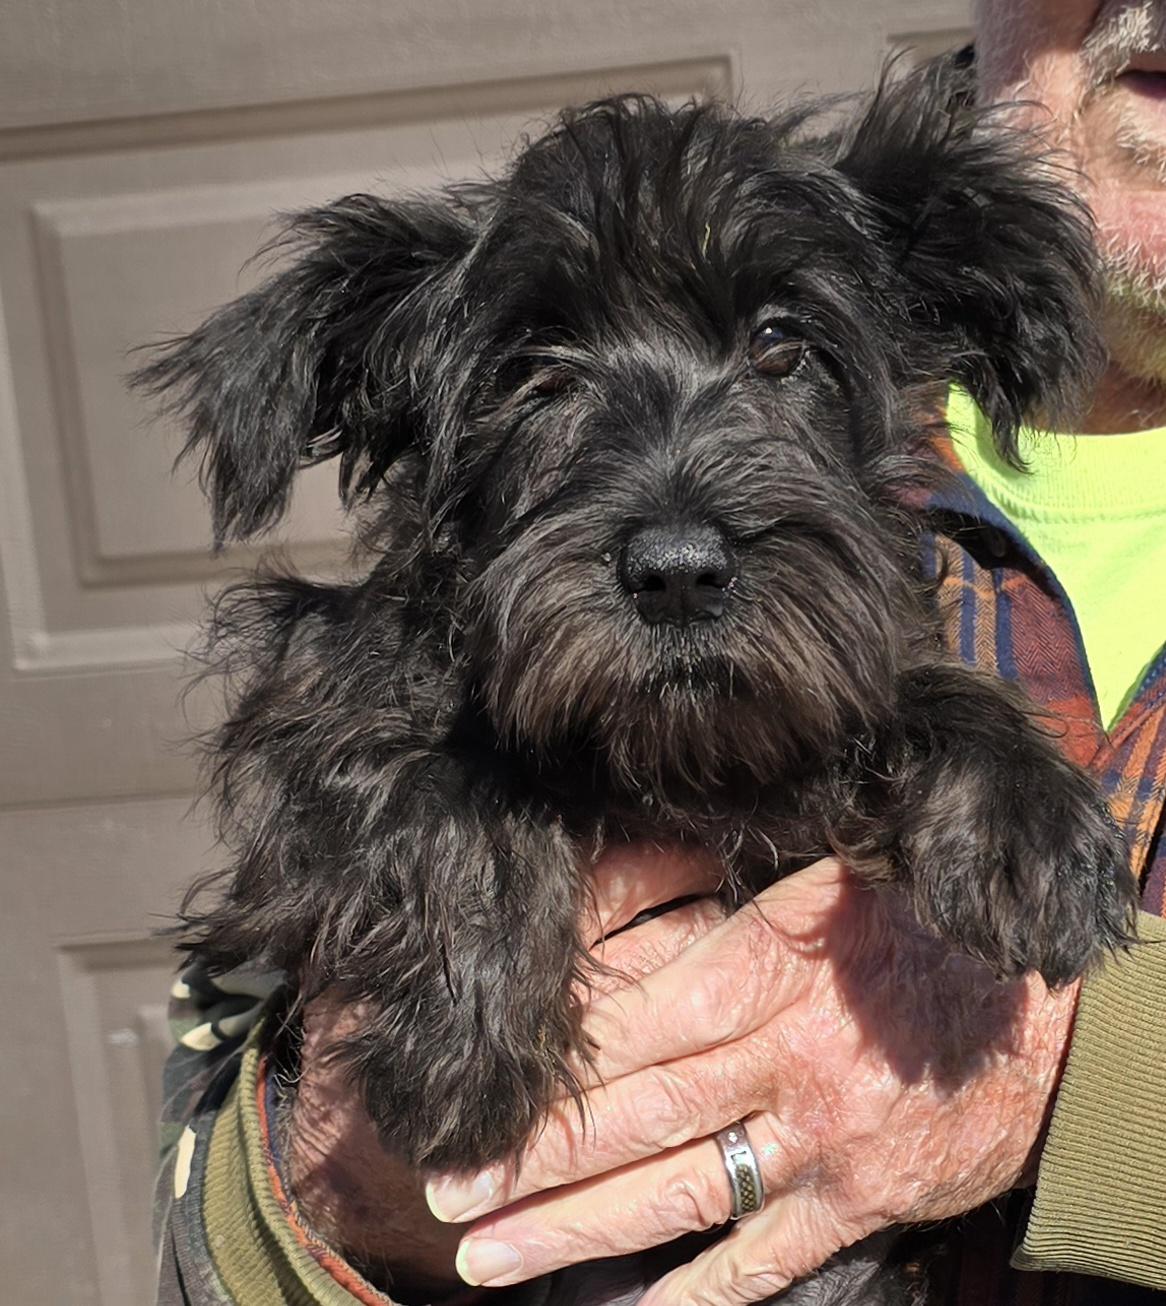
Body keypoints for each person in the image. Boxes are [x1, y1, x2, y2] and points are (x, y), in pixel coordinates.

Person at [154, 1, 1166, 1302]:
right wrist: (326, 1192)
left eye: (779, 351)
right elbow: (216, 1204)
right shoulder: (413, 727)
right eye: (541, 378)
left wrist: (1090, 1087)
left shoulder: (912, 279)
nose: (679, 537)